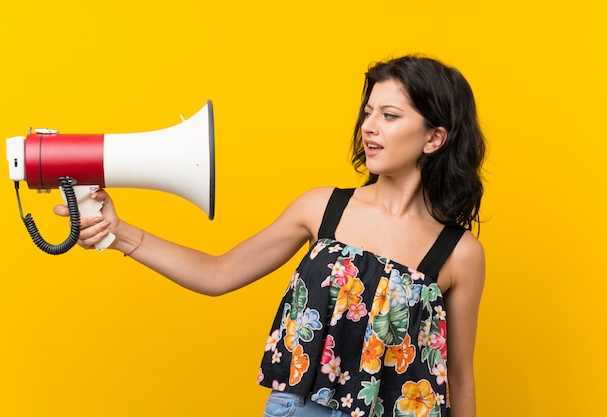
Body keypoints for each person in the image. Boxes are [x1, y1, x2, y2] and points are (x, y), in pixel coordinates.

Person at [55, 54, 486, 417]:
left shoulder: (460, 254)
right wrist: (119, 232)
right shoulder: (321, 207)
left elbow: (460, 377)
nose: (369, 127)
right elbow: (218, 273)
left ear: (434, 137)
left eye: (389, 116)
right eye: (368, 112)